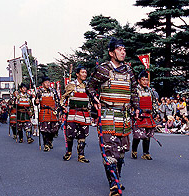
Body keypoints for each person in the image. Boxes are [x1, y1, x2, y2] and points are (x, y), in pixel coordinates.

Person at [86, 37, 139, 195]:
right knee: (110, 152)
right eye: (119, 49)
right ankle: (113, 185)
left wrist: (136, 107)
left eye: (124, 49)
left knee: (121, 153)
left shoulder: (129, 70)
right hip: (108, 114)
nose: (123, 51)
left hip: (124, 116)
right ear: (111, 53)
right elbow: (90, 86)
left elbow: (134, 90)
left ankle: (117, 177)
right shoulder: (103, 69)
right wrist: (95, 98)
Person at [61, 66, 91, 163]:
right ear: (77, 74)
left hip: (84, 113)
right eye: (82, 72)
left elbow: (91, 98)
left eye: (85, 73)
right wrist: (63, 106)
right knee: (70, 134)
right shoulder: (71, 85)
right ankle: (68, 152)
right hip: (73, 113)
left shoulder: (87, 86)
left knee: (82, 135)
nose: (84, 74)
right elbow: (63, 97)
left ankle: (81, 155)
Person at [131, 71, 157, 160]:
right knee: (138, 135)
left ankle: (146, 153)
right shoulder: (135, 90)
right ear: (139, 81)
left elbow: (154, 102)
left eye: (147, 80)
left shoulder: (150, 91)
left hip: (149, 115)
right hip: (139, 115)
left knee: (148, 135)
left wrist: (154, 112)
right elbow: (132, 103)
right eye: (143, 80)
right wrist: (134, 113)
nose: (145, 82)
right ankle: (134, 150)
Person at [35, 77, 61, 152]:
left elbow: (57, 101)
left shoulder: (53, 91)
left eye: (48, 82)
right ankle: (46, 144)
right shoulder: (39, 92)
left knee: (54, 129)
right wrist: (36, 102)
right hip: (44, 112)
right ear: (43, 83)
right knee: (45, 129)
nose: (48, 84)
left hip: (52, 112)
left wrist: (58, 109)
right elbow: (36, 103)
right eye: (46, 82)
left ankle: (50, 141)